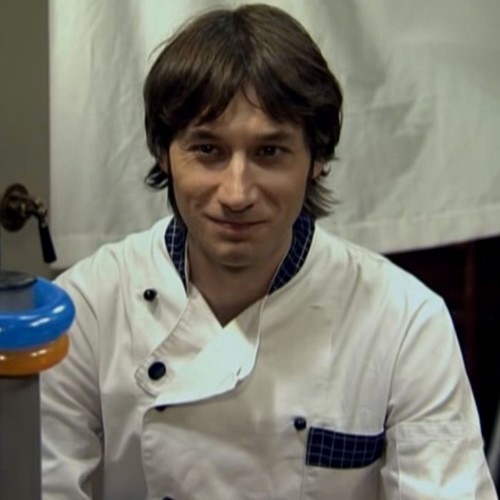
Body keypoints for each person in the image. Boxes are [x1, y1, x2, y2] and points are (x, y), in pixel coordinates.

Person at [41, 3, 497, 499]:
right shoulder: (86, 309)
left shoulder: (406, 321)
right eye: (208, 150)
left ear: (318, 159)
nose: (237, 193)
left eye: (269, 152)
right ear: (163, 152)